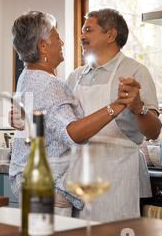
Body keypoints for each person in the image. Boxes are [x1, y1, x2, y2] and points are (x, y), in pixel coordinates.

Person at [9, 11, 129, 217]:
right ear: (43, 46)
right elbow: (72, 134)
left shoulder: (27, 76)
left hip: (31, 181)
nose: (62, 41)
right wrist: (116, 106)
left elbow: (40, 123)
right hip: (50, 187)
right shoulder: (49, 84)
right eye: (56, 36)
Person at [65, 8, 162, 222]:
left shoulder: (136, 72)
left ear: (110, 35)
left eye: (88, 30)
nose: (81, 36)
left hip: (119, 175)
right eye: (82, 31)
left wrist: (139, 108)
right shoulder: (75, 77)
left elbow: (154, 131)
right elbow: (62, 124)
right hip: (79, 176)